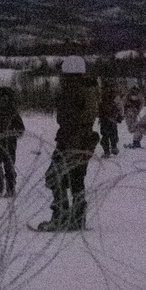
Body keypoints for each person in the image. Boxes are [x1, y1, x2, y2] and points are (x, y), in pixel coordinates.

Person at [36, 56, 99, 231]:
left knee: (54, 177)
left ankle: (60, 216)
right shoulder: (90, 89)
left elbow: (65, 118)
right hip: (84, 141)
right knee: (76, 180)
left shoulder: (72, 91)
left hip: (70, 141)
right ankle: (78, 218)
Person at [97, 81, 123, 157]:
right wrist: (120, 116)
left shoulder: (101, 94)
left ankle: (106, 151)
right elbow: (120, 106)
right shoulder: (115, 95)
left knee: (105, 134)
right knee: (113, 133)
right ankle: (114, 147)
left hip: (104, 118)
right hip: (112, 118)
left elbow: (98, 106)